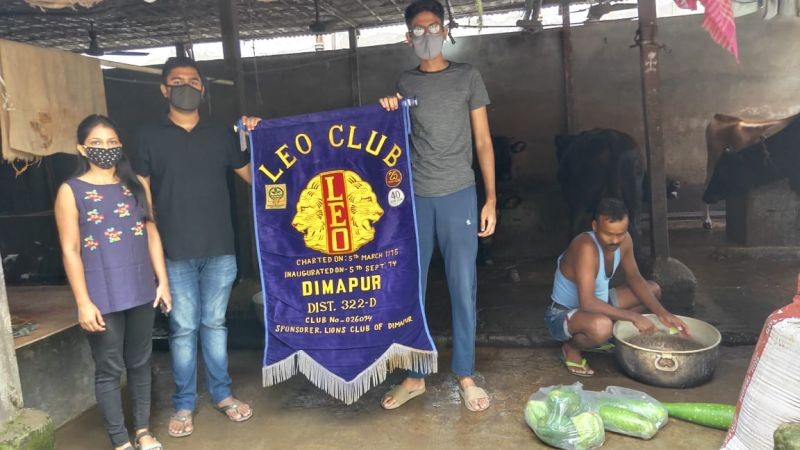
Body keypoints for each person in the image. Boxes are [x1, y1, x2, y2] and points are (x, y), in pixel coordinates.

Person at [131, 56, 259, 438]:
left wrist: (260, 136)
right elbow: (143, 201)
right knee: (184, 328)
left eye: (193, 81)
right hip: (174, 252)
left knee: (214, 324)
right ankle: (184, 403)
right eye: (177, 81)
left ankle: (222, 395)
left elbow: (256, 177)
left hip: (220, 248)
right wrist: (153, 255)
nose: (185, 86)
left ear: (203, 88)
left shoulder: (221, 133)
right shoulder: (147, 136)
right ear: (164, 89)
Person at [378, 0, 496, 412]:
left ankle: (465, 374)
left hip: (459, 193)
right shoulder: (405, 82)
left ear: (445, 32)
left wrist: (490, 199)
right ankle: (415, 375)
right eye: (418, 30)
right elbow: (393, 139)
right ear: (408, 38)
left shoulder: (468, 77)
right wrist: (388, 111)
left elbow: (483, 141)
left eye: (433, 28)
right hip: (415, 199)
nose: (426, 35)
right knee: (412, 288)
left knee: (462, 285)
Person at [55, 114, 170, 450]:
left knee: (140, 363)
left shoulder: (136, 185)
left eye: (111, 142)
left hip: (141, 289)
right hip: (100, 294)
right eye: (96, 143)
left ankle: (143, 431)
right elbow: (70, 250)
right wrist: (82, 302)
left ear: (120, 146)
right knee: (108, 368)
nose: (105, 148)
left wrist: (163, 282)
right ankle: (120, 441)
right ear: (81, 148)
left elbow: (152, 235)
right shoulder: (71, 191)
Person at [545, 197, 689, 376]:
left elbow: (635, 278)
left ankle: (603, 335)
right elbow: (588, 303)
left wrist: (663, 313)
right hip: (563, 314)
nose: (614, 240)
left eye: (620, 234)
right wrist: (634, 318)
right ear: (595, 226)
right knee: (602, 327)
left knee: (653, 290)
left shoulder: (625, 240)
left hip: (599, 305)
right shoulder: (585, 246)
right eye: (608, 234)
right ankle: (571, 347)